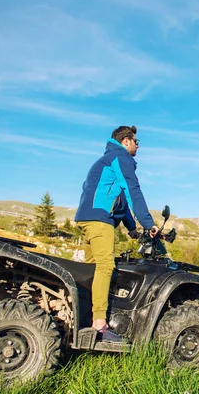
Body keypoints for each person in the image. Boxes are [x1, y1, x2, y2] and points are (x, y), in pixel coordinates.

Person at [75, 125, 158, 342]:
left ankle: (85, 318)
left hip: (87, 219)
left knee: (92, 270)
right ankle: (100, 325)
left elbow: (118, 201)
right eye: (136, 142)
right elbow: (132, 190)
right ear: (126, 141)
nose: (138, 146)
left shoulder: (107, 161)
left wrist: (132, 228)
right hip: (99, 220)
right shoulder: (121, 158)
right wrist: (148, 223)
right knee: (105, 266)